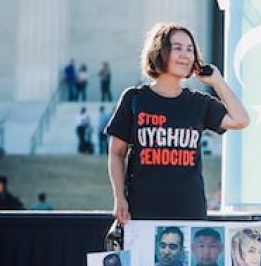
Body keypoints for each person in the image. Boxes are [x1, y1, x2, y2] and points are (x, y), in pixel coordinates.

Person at [106, 22, 249, 222]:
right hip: (141, 211)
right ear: (159, 52)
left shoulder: (199, 102)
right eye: (178, 48)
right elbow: (116, 152)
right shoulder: (135, 98)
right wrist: (119, 197)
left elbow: (241, 120)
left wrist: (217, 81)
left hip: (189, 212)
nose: (185, 55)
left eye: (190, 50)